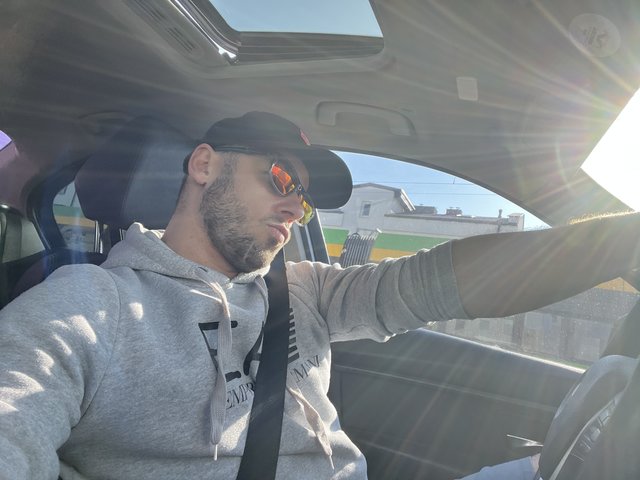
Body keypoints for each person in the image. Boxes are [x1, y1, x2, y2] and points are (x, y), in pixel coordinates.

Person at [0, 111, 638, 480]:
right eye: (281, 177)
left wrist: (621, 241)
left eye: (303, 198)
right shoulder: (88, 305)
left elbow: (438, 285)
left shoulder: (304, 290)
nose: (294, 207)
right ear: (204, 164)